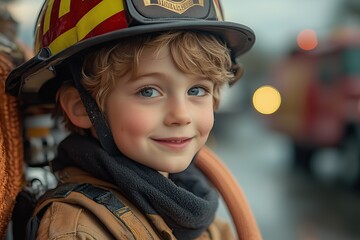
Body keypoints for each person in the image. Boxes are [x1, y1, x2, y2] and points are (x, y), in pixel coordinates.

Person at [5, 0, 257, 239]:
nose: (181, 115)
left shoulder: (194, 208)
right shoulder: (77, 230)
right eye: (148, 91)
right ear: (81, 106)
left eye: (197, 90)